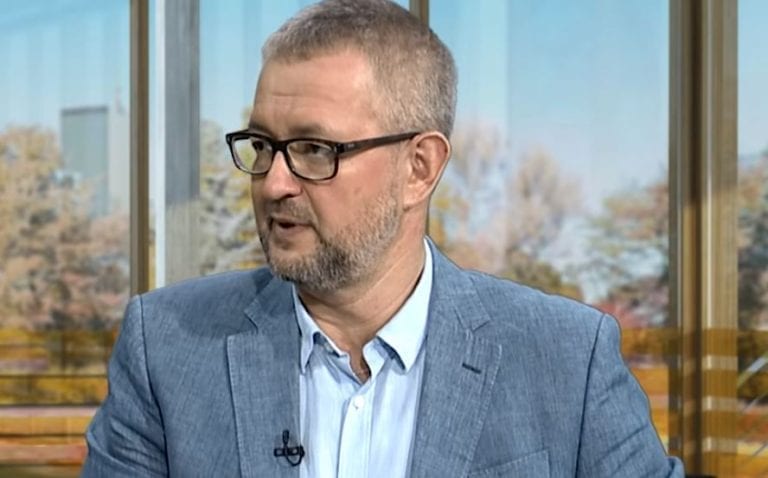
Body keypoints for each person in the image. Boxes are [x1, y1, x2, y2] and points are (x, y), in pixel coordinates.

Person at [82, 0, 685, 476]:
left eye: (314, 149)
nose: (274, 183)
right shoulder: (165, 349)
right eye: (263, 145)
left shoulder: (568, 361)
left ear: (419, 168)